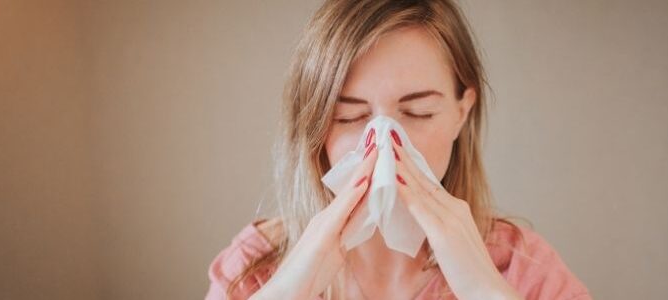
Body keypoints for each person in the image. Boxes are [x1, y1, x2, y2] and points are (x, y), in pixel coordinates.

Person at [206, 0, 591, 299]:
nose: (385, 148)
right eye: (350, 116)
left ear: (462, 111)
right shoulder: (253, 268)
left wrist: (486, 291)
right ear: (315, 125)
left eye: (417, 112)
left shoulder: (523, 270)